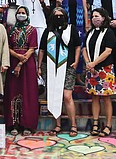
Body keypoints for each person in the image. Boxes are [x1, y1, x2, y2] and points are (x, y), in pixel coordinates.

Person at [38, 7, 81, 137]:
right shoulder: (48, 31)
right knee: (53, 95)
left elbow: (78, 46)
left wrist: (77, 61)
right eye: (56, 15)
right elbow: (42, 49)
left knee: (67, 96)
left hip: (67, 66)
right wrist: (39, 66)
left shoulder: (71, 29)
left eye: (61, 15)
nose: (58, 18)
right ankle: (58, 124)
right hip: (50, 66)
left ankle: (73, 125)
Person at [4, 6, 39, 136]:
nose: (21, 15)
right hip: (13, 61)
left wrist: (21, 61)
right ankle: (14, 124)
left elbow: (32, 48)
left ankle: (27, 125)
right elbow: (7, 47)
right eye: (19, 13)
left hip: (27, 63)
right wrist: (17, 57)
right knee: (13, 91)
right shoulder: (11, 30)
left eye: (23, 13)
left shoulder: (32, 30)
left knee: (28, 93)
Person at [82, 8, 116, 137]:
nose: (94, 18)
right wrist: (88, 63)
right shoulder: (90, 32)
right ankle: (95, 123)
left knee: (106, 98)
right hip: (91, 69)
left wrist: (94, 63)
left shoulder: (109, 33)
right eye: (93, 16)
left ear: (103, 18)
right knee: (94, 97)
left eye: (97, 16)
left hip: (104, 69)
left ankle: (108, 125)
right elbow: (84, 48)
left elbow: (108, 51)